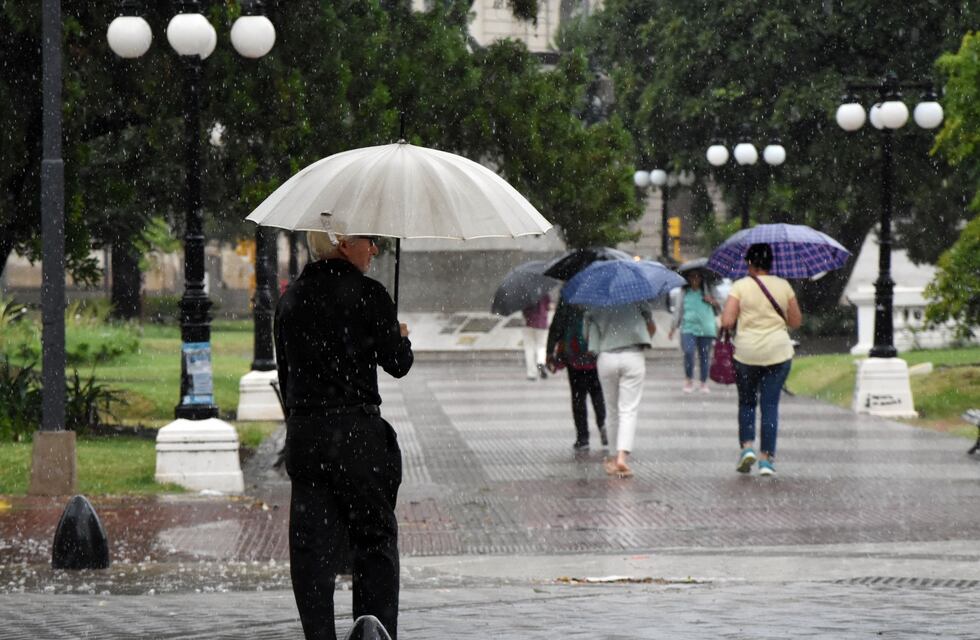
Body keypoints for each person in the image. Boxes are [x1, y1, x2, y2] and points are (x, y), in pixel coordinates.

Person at [275, 230, 413, 640]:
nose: (374, 248)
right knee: (373, 543)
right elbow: (397, 363)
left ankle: (319, 634)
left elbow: (287, 376)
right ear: (340, 241)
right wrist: (401, 338)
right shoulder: (369, 294)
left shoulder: (291, 299)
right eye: (368, 239)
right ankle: (373, 631)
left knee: (312, 552)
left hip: (307, 437)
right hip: (358, 439)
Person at [720, 243, 802, 477]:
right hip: (778, 351)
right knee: (770, 406)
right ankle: (767, 459)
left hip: (747, 353)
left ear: (749, 263)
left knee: (747, 402)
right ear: (770, 263)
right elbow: (796, 321)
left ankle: (747, 448)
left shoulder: (740, 286)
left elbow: (727, 321)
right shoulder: (784, 286)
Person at [584, 302, 656, 478]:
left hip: (607, 357)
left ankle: (613, 456)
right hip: (633, 357)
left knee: (612, 410)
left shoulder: (595, 304)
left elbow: (587, 337)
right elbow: (651, 328)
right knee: (628, 409)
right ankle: (622, 456)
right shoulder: (637, 300)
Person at [546, 293, 607, 451]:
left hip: (573, 350)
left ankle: (582, 437)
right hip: (593, 350)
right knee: (596, 391)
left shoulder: (569, 292)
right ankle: (603, 425)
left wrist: (549, 350)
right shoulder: (598, 290)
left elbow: (558, 322)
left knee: (578, 395)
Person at [668, 269, 720, 393]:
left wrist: (712, 301)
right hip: (688, 327)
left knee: (704, 357)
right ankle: (689, 379)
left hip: (706, 328)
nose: (695, 279)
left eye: (698, 277)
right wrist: (673, 327)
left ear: (702, 278)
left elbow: (720, 308)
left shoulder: (709, 290)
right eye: (692, 277)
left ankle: (703, 382)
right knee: (689, 353)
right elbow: (678, 311)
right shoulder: (684, 292)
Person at [521, 292, 550, 380]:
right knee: (541, 346)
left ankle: (531, 374)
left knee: (529, 348)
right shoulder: (544, 291)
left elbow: (523, 309)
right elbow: (548, 306)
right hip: (542, 323)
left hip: (528, 323)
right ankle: (541, 362)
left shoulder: (525, 292)